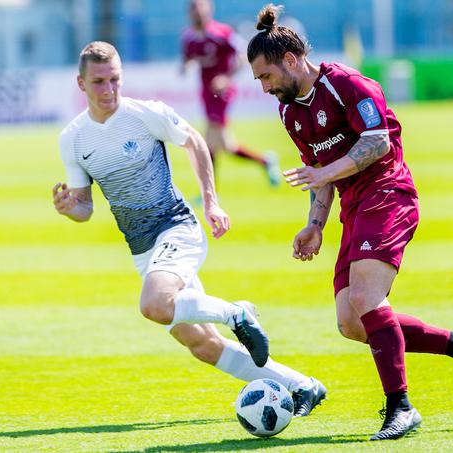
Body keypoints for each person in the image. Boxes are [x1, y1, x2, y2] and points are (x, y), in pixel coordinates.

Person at [246, 5, 453, 441]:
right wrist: (315, 224)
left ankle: (401, 407)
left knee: (364, 295)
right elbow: (317, 172)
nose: (264, 88)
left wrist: (324, 174)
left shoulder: (347, 83)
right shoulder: (289, 113)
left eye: (265, 76)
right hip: (353, 205)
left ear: (290, 60)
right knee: (352, 323)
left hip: (388, 192)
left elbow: (377, 142)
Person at [52, 41, 326, 416]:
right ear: (81, 84)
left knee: (154, 304)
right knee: (201, 344)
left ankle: (237, 314)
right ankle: (301, 385)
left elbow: (195, 142)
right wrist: (70, 208)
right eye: (99, 82)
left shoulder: (144, 114)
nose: (110, 90)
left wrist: (210, 200)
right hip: (143, 250)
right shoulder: (73, 139)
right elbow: (84, 207)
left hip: (176, 228)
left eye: (115, 79)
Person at [180, 0, 281, 187]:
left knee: (209, 141)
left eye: (200, 9)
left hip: (223, 92)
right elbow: (187, 59)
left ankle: (209, 192)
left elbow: (244, 57)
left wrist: (226, 78)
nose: (197, 14)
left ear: (208, 11)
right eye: (193, 10)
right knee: (224, 145)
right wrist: (185, 66)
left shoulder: (222, 33)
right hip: (206, 92)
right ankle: (265, 162)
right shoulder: (188, 37)